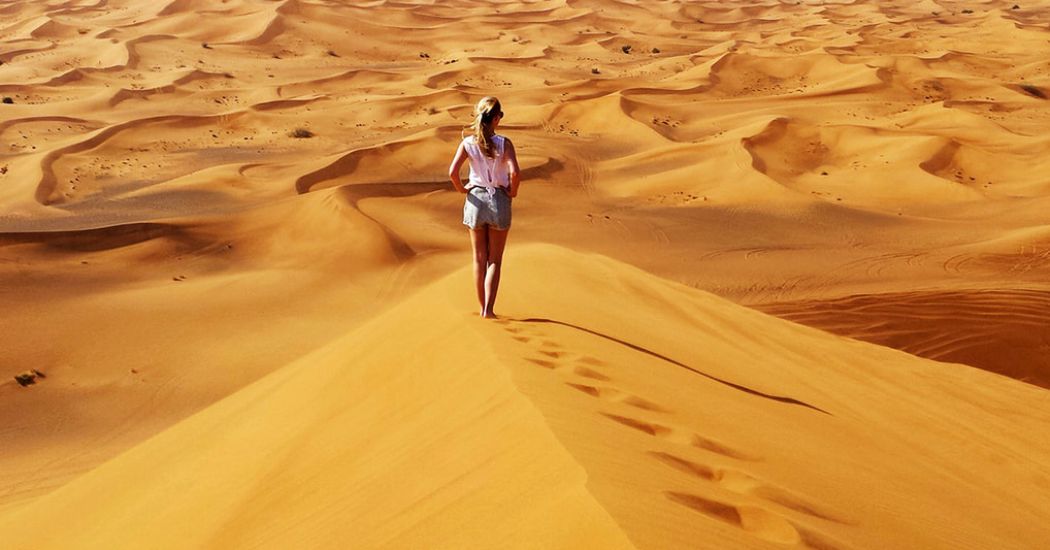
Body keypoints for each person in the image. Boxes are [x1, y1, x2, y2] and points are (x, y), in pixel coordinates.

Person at [448, 96, 521, 319]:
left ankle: (481, 309)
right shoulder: (504, 143)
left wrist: (462, 189)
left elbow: (452, 173)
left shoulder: (467, 143)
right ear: (496, 118)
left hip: (475, 201)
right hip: (498, 200)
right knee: (494, 260)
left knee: (479, 258)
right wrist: (513, 191)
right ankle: (489, 310)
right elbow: (515, 172)